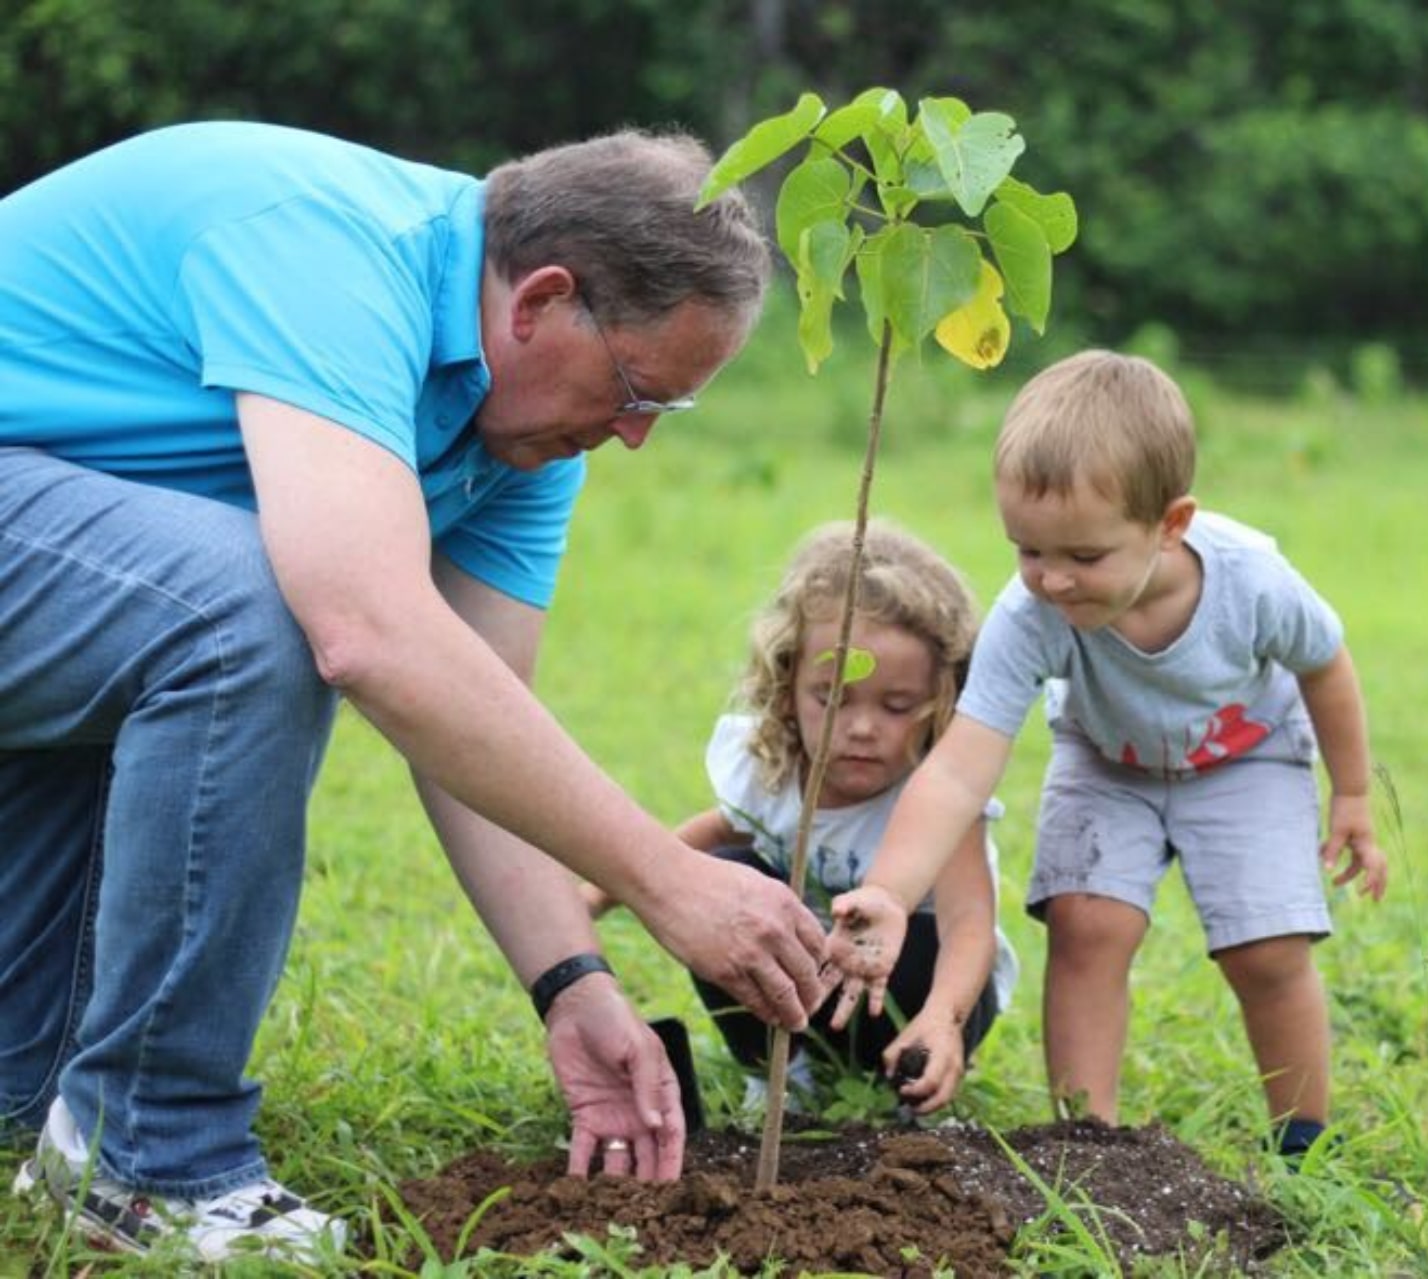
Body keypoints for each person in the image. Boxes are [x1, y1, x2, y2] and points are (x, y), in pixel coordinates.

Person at [0, 121, 832, 1261]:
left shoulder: (524, 438)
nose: (635, 436)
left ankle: (48, 1093)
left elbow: (475, 719)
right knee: (244, 607)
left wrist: (574, 985)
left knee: (17, 1071)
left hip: (50, 575)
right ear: (540, 299)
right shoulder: (334, 257)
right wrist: (664, 877)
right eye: (639, 388)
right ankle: (146, 1156)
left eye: (668, 412)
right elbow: (364, 630)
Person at [827, 350, 1388, 1159]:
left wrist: (1354, 795)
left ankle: (1301, 1135)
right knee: (1086, 925)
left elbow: (1325, 664)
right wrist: (887, 888)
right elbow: (957, 767)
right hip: (1106, 762)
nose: (1051, 580)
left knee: (1265, 945)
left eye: (1083, 557)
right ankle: (1088, 1143)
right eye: (1027, 550)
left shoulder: (1253, 583)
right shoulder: (1030, 616)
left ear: (1171, 524)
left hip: (1245, 758)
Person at [585, 521, 1016, 1115]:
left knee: (926, 939)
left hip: (914, 993)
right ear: (788, 686)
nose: (862, 728)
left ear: (942, 698)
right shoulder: (777, 771)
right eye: (831, 698)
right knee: (720, 877)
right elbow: (706, 842)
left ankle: (909, 1089)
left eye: (896, 705)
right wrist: (597, 894)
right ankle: (780, 1073)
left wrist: (944, 1020)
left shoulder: (940, 797)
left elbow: (970, 926)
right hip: (808, 989)